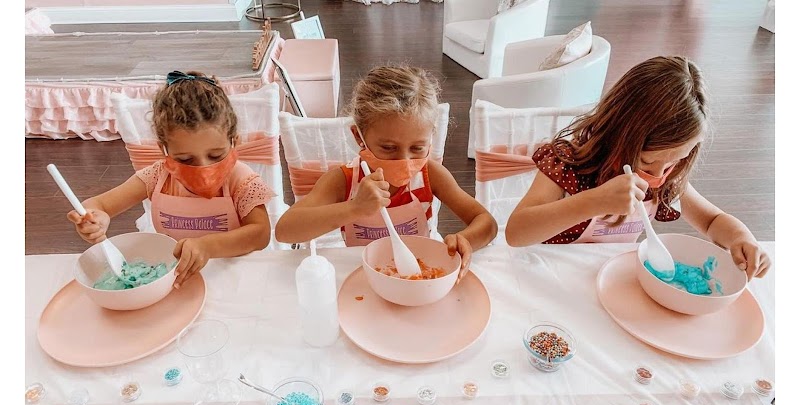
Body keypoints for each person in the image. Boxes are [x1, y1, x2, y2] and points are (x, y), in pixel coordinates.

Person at [505, 56, 770, 280]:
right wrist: (592, 202)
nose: (658, 175)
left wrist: (741, 238)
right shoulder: (568, 162)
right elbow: (517, 232)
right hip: (551, 277)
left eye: (675, 161)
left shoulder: (667, 179)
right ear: (617, 134)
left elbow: (711, 221)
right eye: (647, 162)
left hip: (611, 280)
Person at [275, 65, 497, 281]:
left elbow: (486, 222)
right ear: (359, 137)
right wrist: (354, 208)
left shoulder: (431, 175)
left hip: (419, 274)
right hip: (363, 276)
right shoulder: (343, 181)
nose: (404, 160)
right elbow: (286, 230)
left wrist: (466, 239)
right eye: (389, 148)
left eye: (417, 148)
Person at [68, 71, 274, 288]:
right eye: (185, 159)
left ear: (234, 142)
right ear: (163, 149)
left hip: (233, 277)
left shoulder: (242, 180)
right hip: (176, 278)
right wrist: (93, 217)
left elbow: (260, 234)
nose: (203, 167)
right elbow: (98, 205)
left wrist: (208, 246)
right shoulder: (157, 176)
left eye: (216, 155)